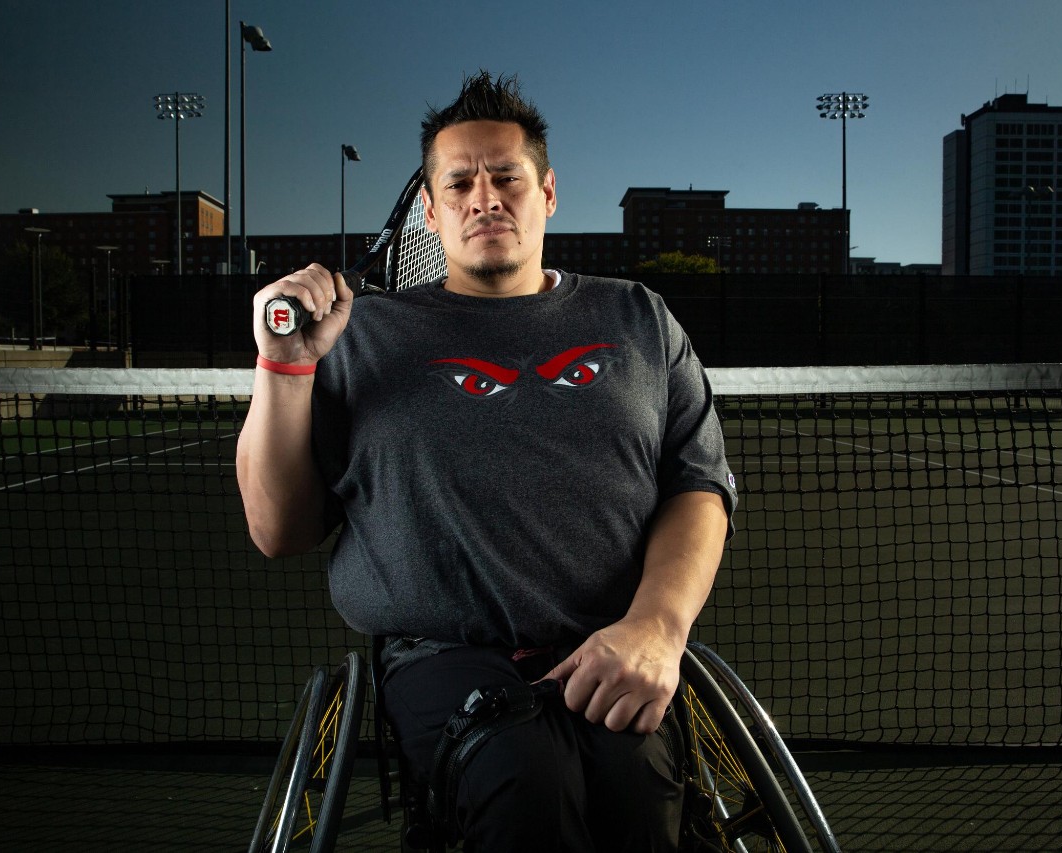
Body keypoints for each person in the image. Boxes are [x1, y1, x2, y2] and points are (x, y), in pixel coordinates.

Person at [237, 71, 737, 852]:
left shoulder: (638, 317)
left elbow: (698, 487)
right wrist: (286, 366)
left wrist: (657, 627)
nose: (485, 197)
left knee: (638, 789)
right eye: (460, 182)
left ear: (548, 192)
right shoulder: (361, 335)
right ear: (430, 212)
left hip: (618, 641)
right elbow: (278, 528)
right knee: (524, 776)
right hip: (446, 662)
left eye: (506, 176)